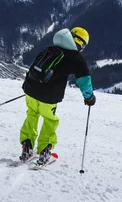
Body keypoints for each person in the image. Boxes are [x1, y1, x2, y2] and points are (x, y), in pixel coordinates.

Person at [19, 27, 96, 165]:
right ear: (81, 44)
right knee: (50, 120)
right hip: (48, 97)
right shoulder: (75, 58)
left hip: (31, 90)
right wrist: (89, 97)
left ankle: (27, 146)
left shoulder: (51, 49)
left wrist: (33, 88)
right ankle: (44, 151)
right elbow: (84, 80)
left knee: (32, 114)